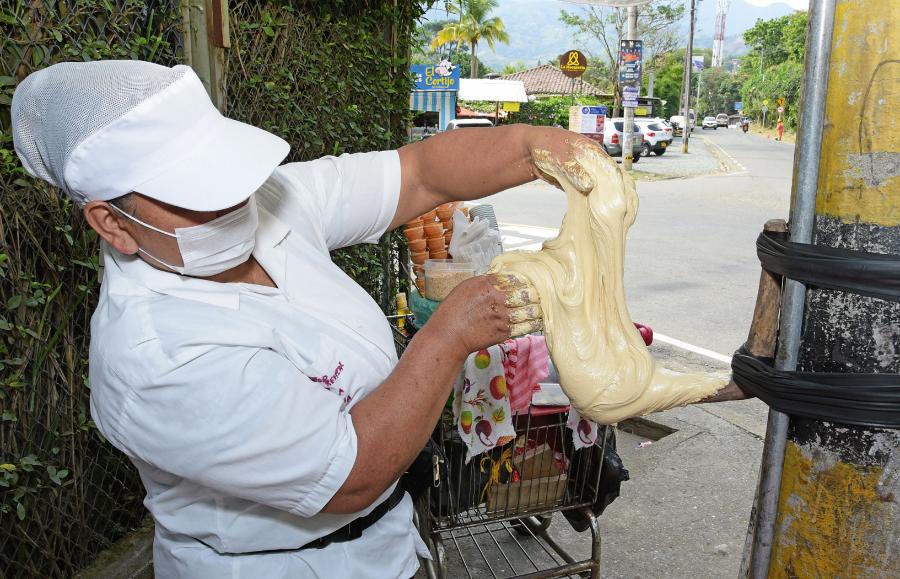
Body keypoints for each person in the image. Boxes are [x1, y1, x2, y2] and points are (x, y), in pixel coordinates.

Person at [11, 60, 593, 578]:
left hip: (387, 547)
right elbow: (352, 474)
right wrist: (450, 335)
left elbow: (421, 174)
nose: (230, 203)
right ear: (111, 223)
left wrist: (540, 147)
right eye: (193, 195)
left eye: (226, 174)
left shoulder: (265, 203)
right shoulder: (156, 357)